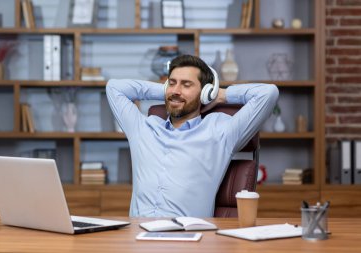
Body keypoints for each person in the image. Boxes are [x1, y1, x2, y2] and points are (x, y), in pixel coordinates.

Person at [106, 55, 278, 217]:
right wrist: (168, 92)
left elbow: (268, 93)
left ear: (205, 92)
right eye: (172, 83)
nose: (176, 90)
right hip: (137, 239)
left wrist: (219, 95)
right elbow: (113, 87)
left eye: (186, 85)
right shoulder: (142, 128)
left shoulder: (221, 132)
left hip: (187, 240)